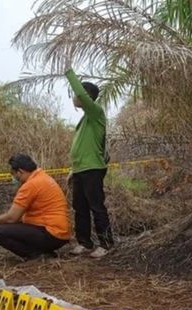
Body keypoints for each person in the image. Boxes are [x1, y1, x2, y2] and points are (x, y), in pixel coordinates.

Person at [0, 154, 71, 260]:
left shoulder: (30, 185)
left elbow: (12, 218)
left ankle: (36, 255)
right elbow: (18, 216)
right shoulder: (43, 177)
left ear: (20, 172)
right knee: (11, 226)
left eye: (14, 174)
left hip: (51, 233)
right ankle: (43, 251)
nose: (14, 178)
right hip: (60, 233)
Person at [65, 67, 114, 259]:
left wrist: (69, 72)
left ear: (86, 97)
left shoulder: (95, 113)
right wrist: (73, 170)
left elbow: (80, 94)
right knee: (80, 208)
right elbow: (84, 147)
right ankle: (84, 242)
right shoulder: (85, 120)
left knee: (96, 206)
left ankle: (106, 243)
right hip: (80, 170)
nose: (74, 98)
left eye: (78, 95)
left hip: (92, 169)